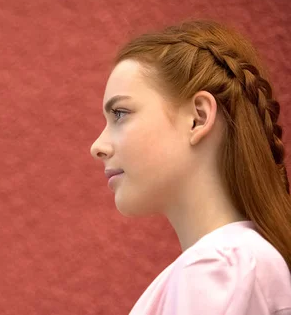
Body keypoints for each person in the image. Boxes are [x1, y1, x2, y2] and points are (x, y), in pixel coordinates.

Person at [90, 20, 291, 314]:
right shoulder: (233, 264)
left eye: (120, 113)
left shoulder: (219, 267)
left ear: (198, 117)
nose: (97, 146)